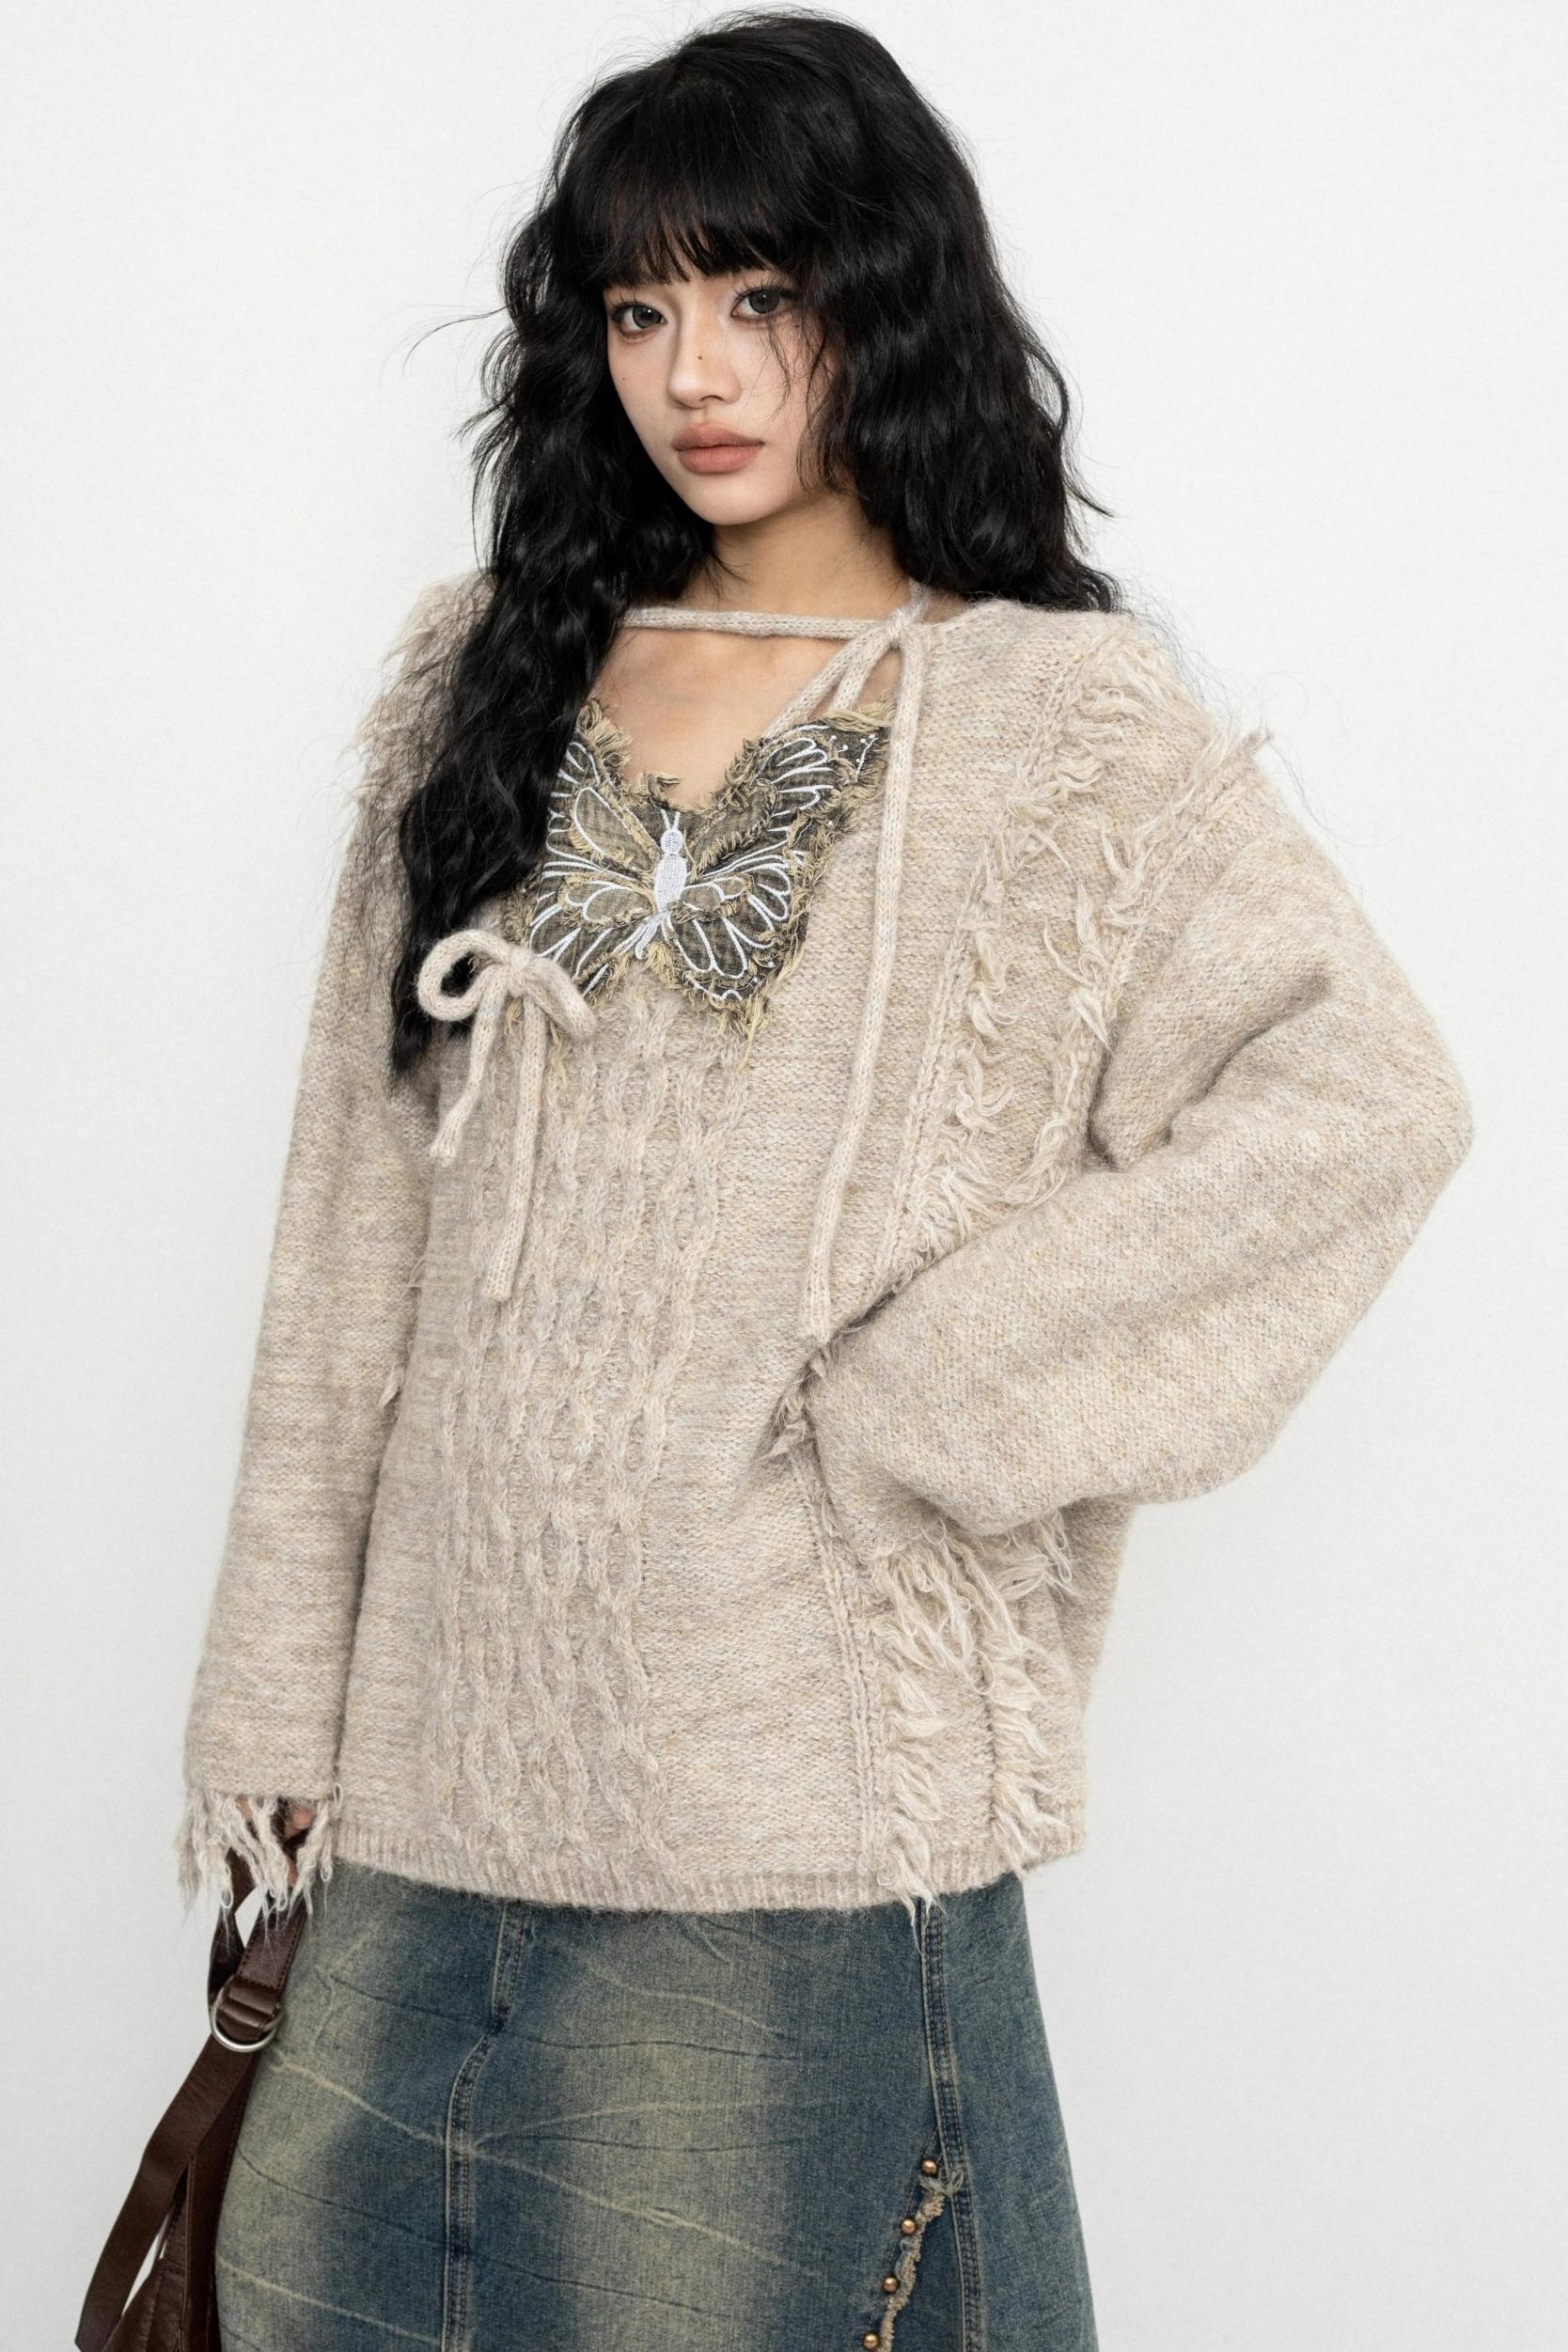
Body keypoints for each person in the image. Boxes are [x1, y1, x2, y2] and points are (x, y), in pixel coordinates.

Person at [174, 11, 1473, 2348]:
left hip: (797, 1787)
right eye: (639, 308)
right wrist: (275, 1702)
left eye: (760, 297)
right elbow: (347, 1233)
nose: (695, 372)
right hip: (434, 1774)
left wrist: (930, 1395)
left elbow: (1360, 1101)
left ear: (888, 300)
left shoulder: (1058, 726)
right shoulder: (483, 683)